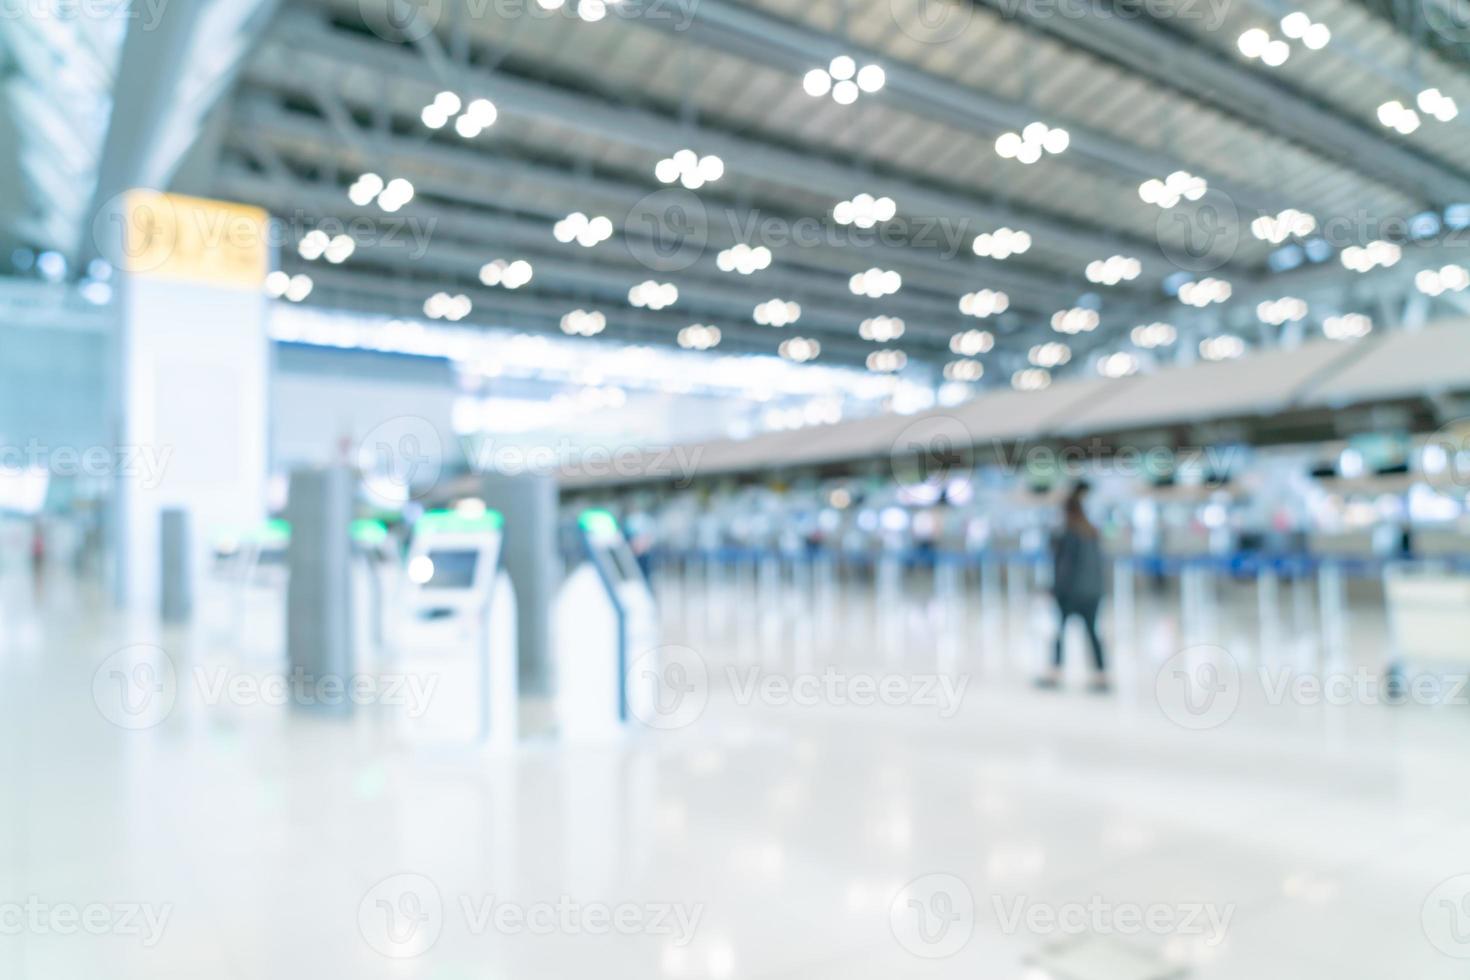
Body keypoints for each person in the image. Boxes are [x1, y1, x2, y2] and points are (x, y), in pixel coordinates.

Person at [1037, 487, 1107, 692]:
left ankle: (1055, 673)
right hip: (1093, 592)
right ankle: (1101, 675)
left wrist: (1054, 589)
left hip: (1071, 593)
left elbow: (1064, 567)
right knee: (1093, 632)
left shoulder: (1067, 534)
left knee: (1059, 632)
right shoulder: (1092, 532)